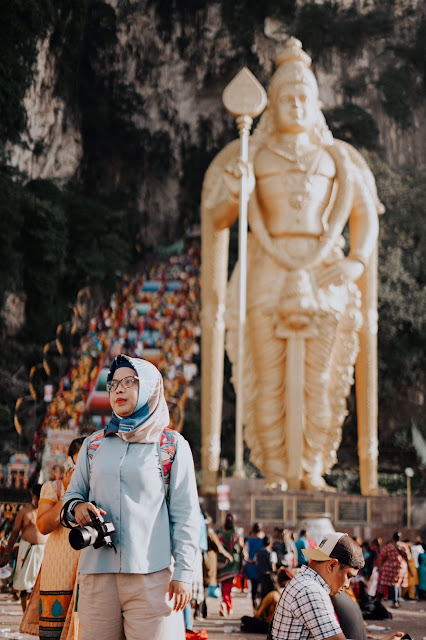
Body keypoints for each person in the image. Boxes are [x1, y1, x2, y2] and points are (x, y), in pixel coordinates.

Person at [201, 37, 383, 494]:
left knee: (321, 379)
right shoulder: (252, 156)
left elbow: (364, 215)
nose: (296, 106)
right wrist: (237, 192)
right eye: (287, 98)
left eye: (304, 97)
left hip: (324, 272)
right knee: (267, 379)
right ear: (273, 106)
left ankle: (312, 468)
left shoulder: (338, 159)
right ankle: (276, 472)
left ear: (316, 103)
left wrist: (357, 260)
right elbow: (217, 217)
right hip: (267, 268)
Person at [62, 354, 200, 640]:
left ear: (149, 387)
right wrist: (78, 508)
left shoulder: (171, 445)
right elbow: (71, 497)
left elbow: (186, 515)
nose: (119, 390)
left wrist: (184, 573)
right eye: (113, 384)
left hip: (152, 577)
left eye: (129, 382)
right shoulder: (94, 444)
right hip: (97, 575)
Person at [270, 532, 405, 640]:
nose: (347, 584)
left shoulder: (305, 583)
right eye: (348, 576)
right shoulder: (311, 591)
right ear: (332, 565)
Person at [20, 437, 85, 639]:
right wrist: (69, 492)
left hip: (88, 571)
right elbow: (43, 526)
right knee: (53, 632)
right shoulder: (53, 489)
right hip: (58, 571)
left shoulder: (99, 488)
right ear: (69, 462)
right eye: (80, 460)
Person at [0, 484, 48, 611]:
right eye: (38, 498)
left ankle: (38, 615)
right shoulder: (24, 511)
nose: (40, 501)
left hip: (44, 551)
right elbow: (15, 532)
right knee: (25, 586)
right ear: (34, 496)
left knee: (42, 586)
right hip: (27, 551)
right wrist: (7, 553)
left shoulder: (47, 509)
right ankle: (26, 615)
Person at [240, 567, 293, 634]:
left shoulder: (271, 595)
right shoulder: (278, 593)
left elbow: (259, 614)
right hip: (280, 624)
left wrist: (256, 612)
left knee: (244, 619)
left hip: (271, 625)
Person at [216, 513, 241, 617]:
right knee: (228, 586)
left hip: (221, 561)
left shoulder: (219, 531)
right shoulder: (236, 532)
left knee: (224, 586)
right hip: (232, 562)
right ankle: (228, 606)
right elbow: (241, 545)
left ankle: (226, 605)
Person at [378, 532, 410, 609]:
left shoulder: (388, 546)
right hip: (401, 567)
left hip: (391, 567)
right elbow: (408, 557)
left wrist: (380, 565)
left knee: (394, 584)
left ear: (393, 537)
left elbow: (382, 557)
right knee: (398, 584)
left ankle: (395, 602)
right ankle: (397, 601)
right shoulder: (404, 546)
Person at [244, 522, 264, 609]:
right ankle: (259, 603)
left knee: (253, 587)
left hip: (251, 565)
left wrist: (248, 561)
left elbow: (245, 552)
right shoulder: (263, 540)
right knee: (261, 586)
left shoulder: (249, 540)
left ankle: (254, 604)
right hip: (260, 566)